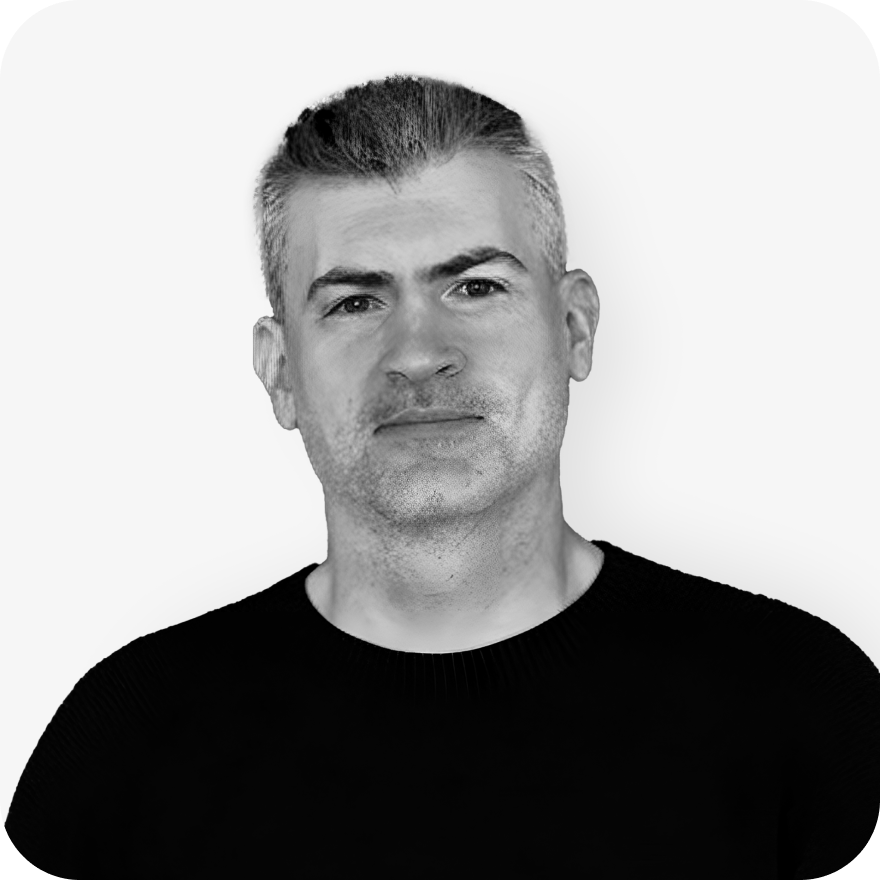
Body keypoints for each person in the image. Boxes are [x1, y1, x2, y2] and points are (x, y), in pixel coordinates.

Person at [4, 74, 879, 879]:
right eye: (355, 302)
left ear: (574, 327)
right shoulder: (125, 748)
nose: (418, 354)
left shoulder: (803, 714)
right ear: (280, 372)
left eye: (476, 288)